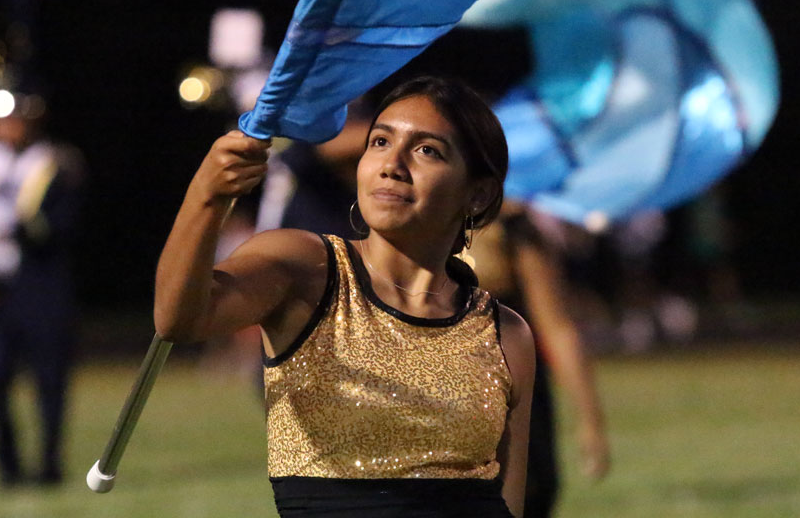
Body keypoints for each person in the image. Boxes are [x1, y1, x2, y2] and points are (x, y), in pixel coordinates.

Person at [155, 76, 536, 517]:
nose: (392, 163)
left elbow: (508, 503)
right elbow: (178, 320)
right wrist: (206, 196)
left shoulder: (504, 332)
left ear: (479, 193)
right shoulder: (305, 268)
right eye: (379, 142)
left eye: (427, 150)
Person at [0, 99, 84, 487]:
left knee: (49, 379)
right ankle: (7, 465)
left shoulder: (55, 161)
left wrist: (12, 222)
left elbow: (60, 226)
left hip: (39, 282)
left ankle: (49, 465)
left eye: (12, 117)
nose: (4, 126)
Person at [471, 204, 611, 517]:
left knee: (531, 491)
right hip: (440, 395)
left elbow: (557, 326)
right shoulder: (412, 217)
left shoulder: (513, 226)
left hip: (511, 393)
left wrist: (590, 422)